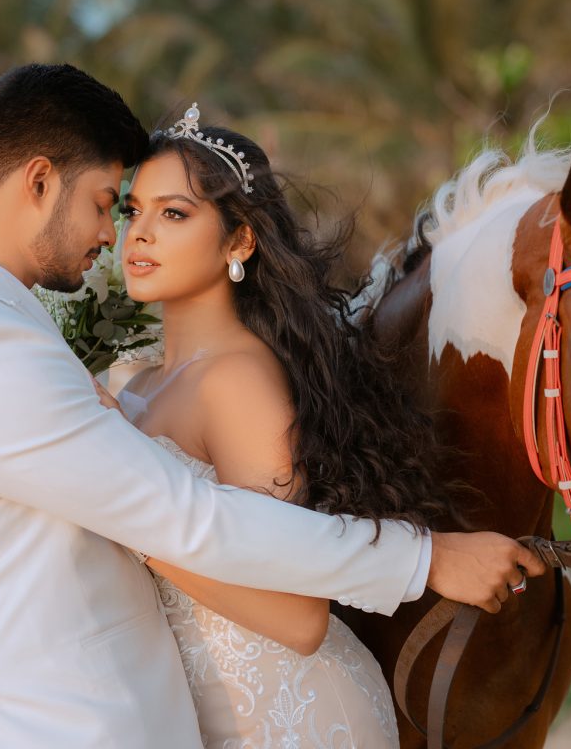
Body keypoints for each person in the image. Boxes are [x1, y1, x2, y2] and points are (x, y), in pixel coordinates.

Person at [0, 64, 544, 749]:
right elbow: (183, 517)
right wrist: (423, 560)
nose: (114, 236)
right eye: (109, 204)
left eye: (164, 212)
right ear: (39, 182)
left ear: (238, 239)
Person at [113, 104, 468, 746]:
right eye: (132, 210)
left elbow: (299, 617)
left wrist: (128, 526)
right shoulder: (136, 384)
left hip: (293, 715)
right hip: (195, 714)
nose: (139, 233)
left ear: (239, 242)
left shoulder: (235, 381)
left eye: (174, 214)